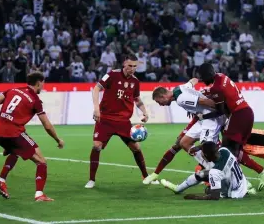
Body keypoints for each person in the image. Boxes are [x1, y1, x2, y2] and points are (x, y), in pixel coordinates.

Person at [0, 72, 65, 201]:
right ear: (38, 83)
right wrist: (57, 139)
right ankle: (39, 194)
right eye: (43, 84)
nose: (43, 87)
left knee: (15, 152)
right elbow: (47, 125)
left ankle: (1, 179)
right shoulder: (35, 100)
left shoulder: (13, 90)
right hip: (14, 134)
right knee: (41, 162)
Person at [85, 55, 156, 189]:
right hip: (105, 119)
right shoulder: (112, 75)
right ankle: (91, 179)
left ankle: (146, 176)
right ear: (124, 64)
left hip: (123, 122)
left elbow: (137, 99)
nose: (132, 69)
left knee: (136, 148)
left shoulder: (135, 81)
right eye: (130, 66)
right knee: (96, 146)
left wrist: (145, 112)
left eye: (135, 66)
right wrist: (96, 109)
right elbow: (96, 88)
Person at [198, 63, 264, 190]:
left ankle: (243, 182)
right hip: (247, 112)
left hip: (239, 115)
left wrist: (203, 117)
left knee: (226, 150)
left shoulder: (217, 88)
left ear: (208, 75)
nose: (203, 82)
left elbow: (220, 110)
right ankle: (259, 173)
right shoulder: (221, 76)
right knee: (235, 150)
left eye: (203, 79)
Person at [143, 79, 226, 184]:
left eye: (159, 102)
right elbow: (194, 80)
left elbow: (204, 101)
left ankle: (220, 173)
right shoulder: (180, 88)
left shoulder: (181, 99)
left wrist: (223, 109)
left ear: (162, 96)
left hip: (211, 119)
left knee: (208, 148)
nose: (160, 105)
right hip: (202, 119)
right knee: (183, 143)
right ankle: (210, 168)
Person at [161, 141, 250, 200]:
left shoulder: (215, 172)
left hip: (235, 193)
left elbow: (214, 197)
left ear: (207, 155)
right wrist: (199, 147)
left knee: (208, 190)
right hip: (242, 184)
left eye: (203, 154)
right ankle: (178, 189)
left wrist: (195, 197)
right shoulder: (224, 151)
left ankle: (178, 189)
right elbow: (212, 146)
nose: (201, 156)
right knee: (201, 174)